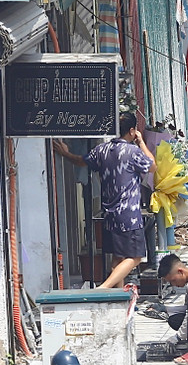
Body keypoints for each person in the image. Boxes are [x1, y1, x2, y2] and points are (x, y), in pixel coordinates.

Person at [53, 111, 155, 288]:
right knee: (136, 257)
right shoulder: (132, 152)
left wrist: (65, 154)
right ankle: (104, 288)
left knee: (118, 257)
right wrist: (141, 141)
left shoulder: (102, 150)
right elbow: (152, 166)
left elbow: (81, 161)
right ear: (132, 131)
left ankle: (118, 299)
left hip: (109, 214)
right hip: (128, 216)